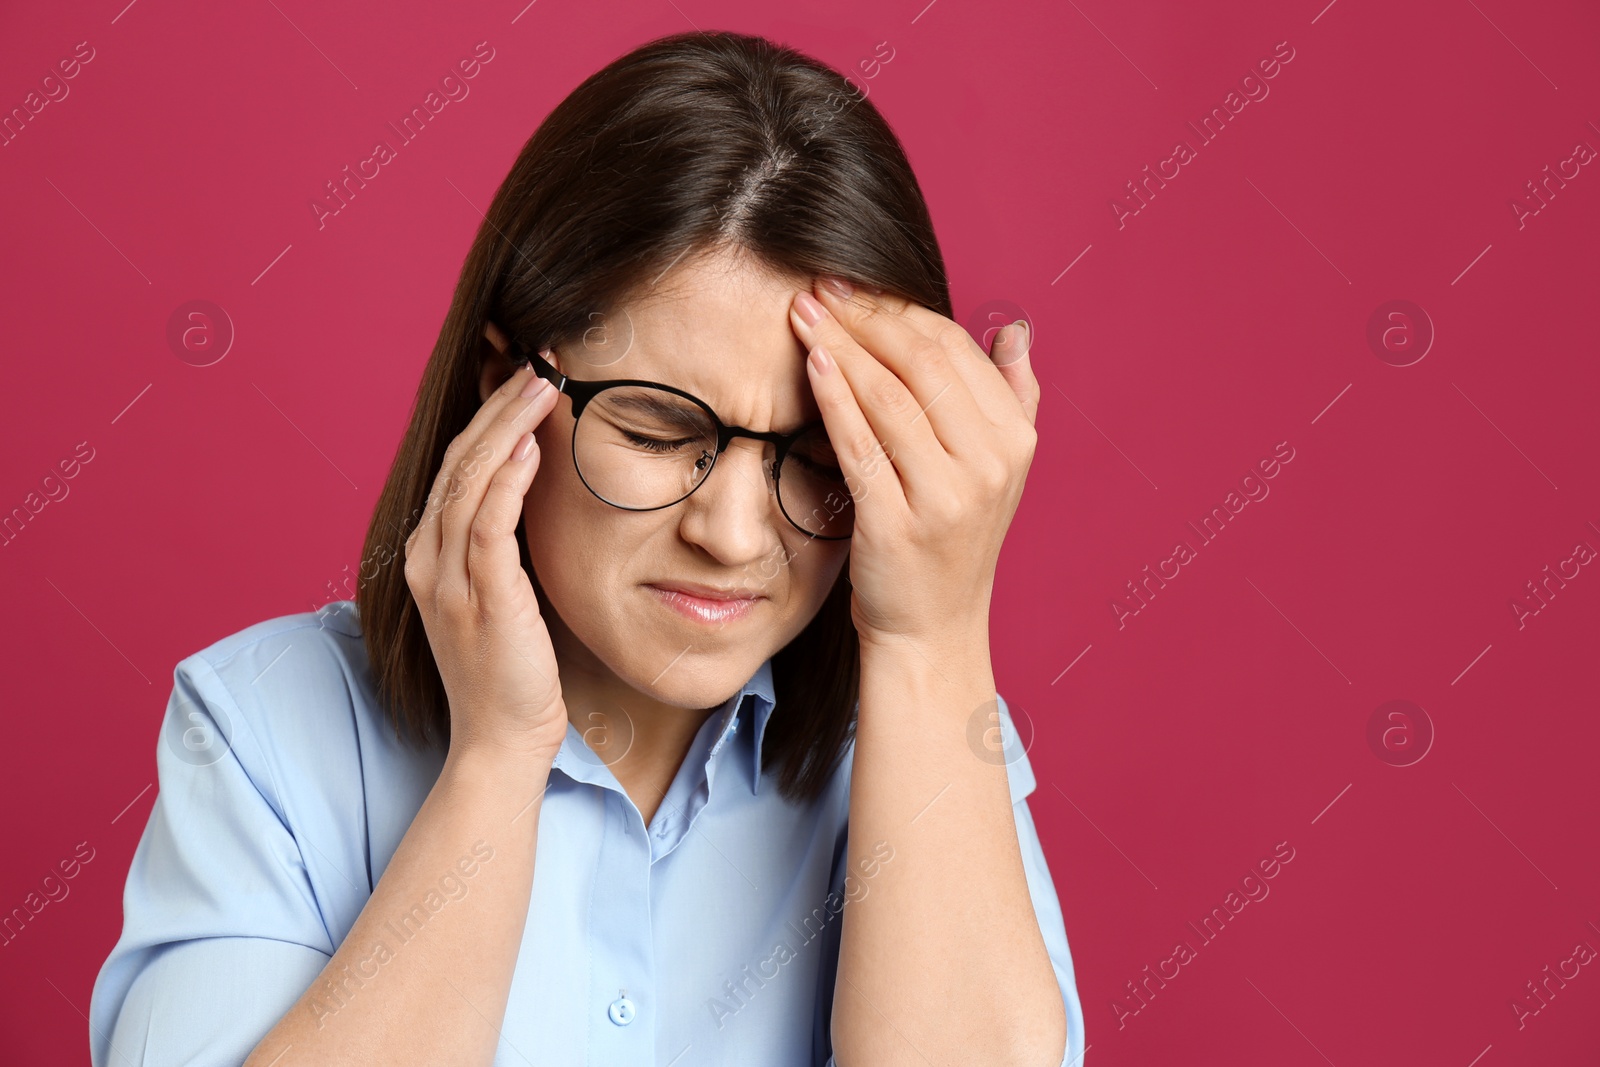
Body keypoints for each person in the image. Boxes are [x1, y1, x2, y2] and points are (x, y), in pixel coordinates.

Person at [88, 29, 1086, 1067]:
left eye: (819, 459)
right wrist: (494, 760)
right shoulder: (269, 730)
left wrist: (932, 635)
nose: (732, 534)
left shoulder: (923, 732)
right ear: (501, 384)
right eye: (658, 434)